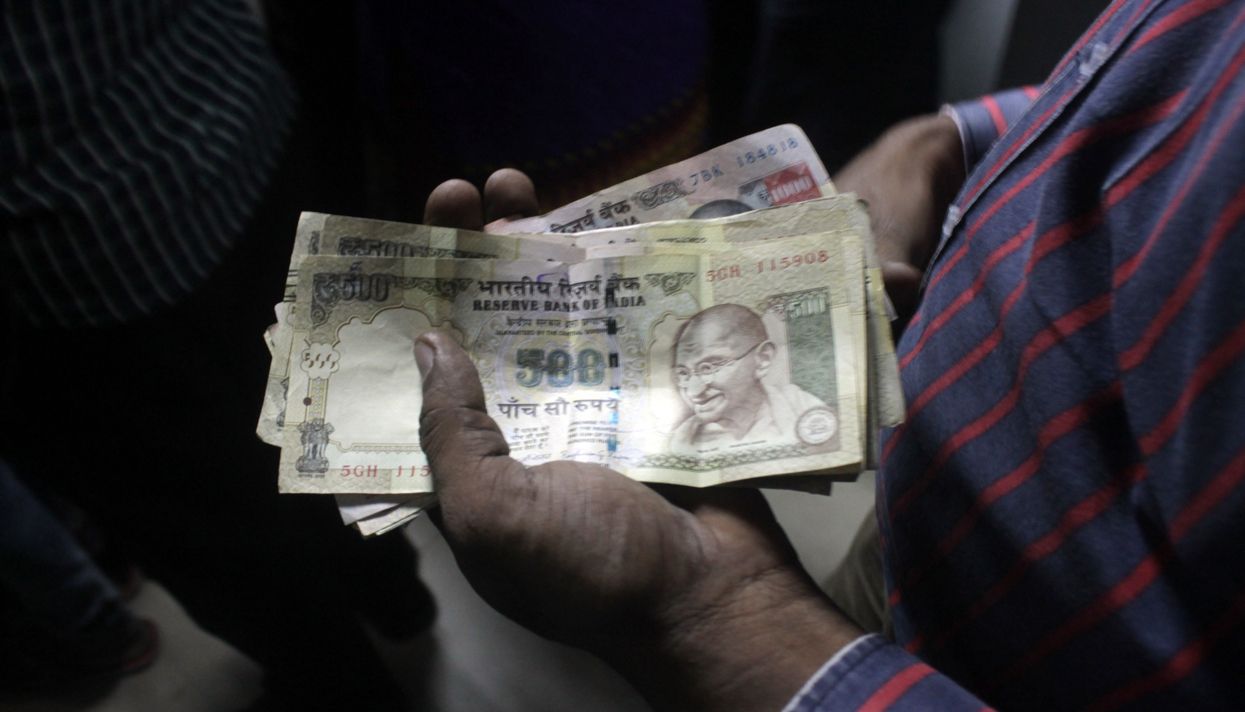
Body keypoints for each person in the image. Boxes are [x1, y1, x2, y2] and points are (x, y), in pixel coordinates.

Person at [417, 0, 1245, 708]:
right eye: (690, 366)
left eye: (713, 364)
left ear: (761, 361)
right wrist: (945, 140)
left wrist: (716, 616)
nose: (697, 382)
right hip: (918, 558)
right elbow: (1179, 67)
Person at [669, 304, 832, 454]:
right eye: (683, 373)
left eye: (709, 367)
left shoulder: (807, 413)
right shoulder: (677, 443)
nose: (693, 392)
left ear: (762, 359)